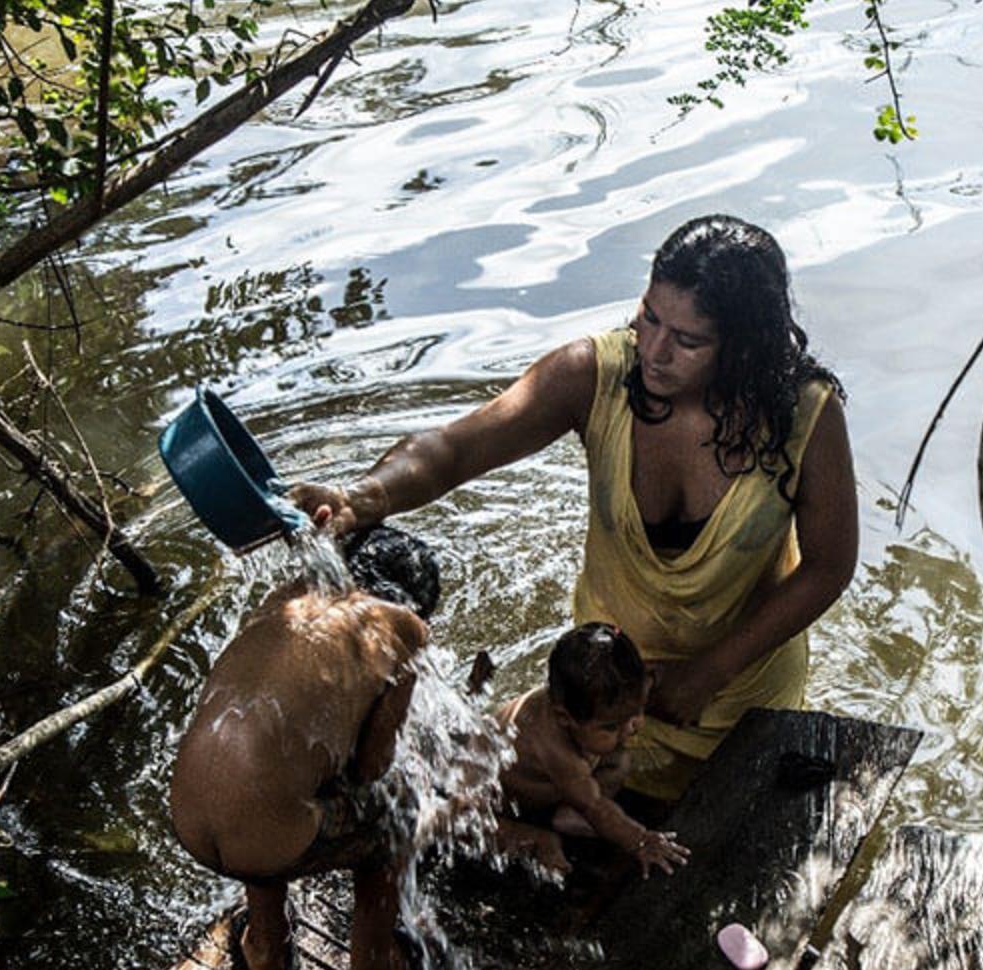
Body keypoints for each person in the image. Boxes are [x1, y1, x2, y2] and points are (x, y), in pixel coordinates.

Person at [294, 215, 857, 798]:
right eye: (650, 317)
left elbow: (829, 566)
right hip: (598, 697)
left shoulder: (805, 416)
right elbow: (452, 449)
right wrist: (361, 497)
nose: (656, 352)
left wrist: (708, 674)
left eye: (688, 341)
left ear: (743, 349)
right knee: (449, 789)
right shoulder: (596, 376)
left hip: (740, 704)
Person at [168, 527, 440, 970]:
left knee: (277, 784)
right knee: (400, 807)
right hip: (267, 835)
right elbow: (373, 767)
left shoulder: (288, 597)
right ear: (415, 602)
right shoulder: (404, 627)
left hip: (187, 817)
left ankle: (265, 950)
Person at [496, 623, 691, 878]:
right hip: (499, 808)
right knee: (468, 821)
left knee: (619, 762)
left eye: (636, 712)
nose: (634, 727)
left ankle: (566, 817)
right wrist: (640, 840)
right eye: (611, 726)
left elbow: (653, 677)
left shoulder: (592, 700)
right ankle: (540, 837)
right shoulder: (552, 746)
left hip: (546, 791)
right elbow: (596, 806)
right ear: (565, 718)